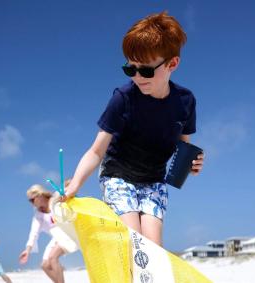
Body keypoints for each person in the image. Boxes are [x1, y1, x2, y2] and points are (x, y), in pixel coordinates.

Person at [64, 11, 204, 247]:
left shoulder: (185, 101)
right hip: (118, 175)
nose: (138, 77)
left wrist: (193, 165)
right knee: (134, 242)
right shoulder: (124, 97)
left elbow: (184, 146)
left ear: (172, 64)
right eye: (131, 69)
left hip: (153, 180)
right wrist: (74, 185)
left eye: (146, 70)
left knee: (152, 250)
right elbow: (96, 152)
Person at [19, 184, 78, 283]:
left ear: (40, 195)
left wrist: (69, 184)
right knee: (45, 265)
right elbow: (33, 234)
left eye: (32, 200)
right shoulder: (38, 215)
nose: (31, 203)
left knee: (52, 258)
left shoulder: (54, 199)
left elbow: (67, 189)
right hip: (56, 238)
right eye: (30, 201)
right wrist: (27, 250)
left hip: (68, 234)